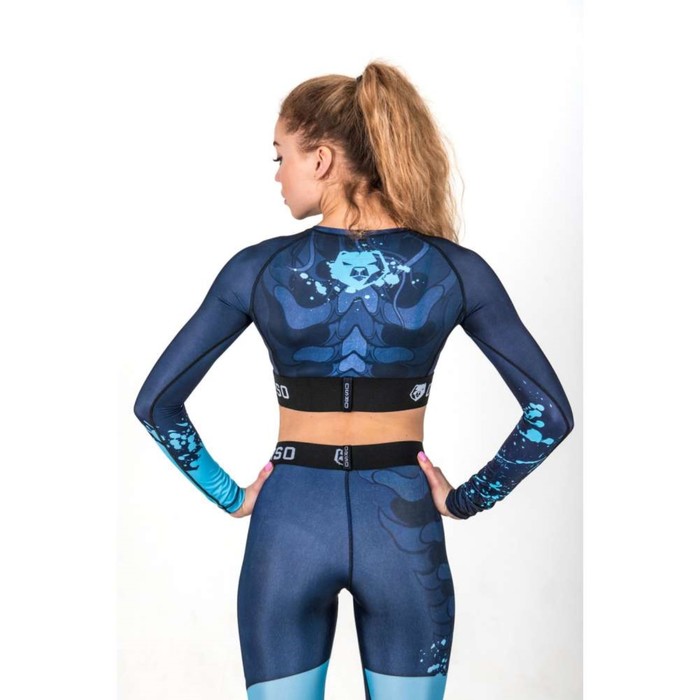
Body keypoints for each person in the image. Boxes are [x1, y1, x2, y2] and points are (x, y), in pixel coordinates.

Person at [133, 60, 574, 700]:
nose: (277, 175)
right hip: (404, 531)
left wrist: (231, 495)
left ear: (321, 159)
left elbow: (156, 403)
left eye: (280, 156)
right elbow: (549, 415)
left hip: (289, 525)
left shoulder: (258, 270)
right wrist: (463, 499)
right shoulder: (455, 270)